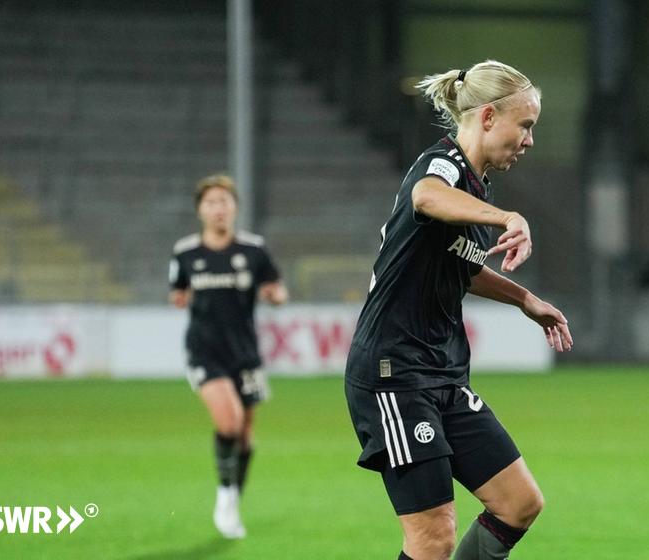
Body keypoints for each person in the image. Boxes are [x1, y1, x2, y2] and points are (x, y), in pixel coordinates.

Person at [343, 60, 573, 560]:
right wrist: (508, 216)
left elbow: (462, 266)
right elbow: (427, 197)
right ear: (488, 116)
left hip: (443, 374)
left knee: (519, 503)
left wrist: (526, 300)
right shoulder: (443, 165)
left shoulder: (473, 185)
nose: (530, 140)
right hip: (394, 375)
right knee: (432, 540)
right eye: (526, 125)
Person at [168, 173, 288, 539]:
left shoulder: (253, 250)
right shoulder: (186, 252)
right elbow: (177, 291)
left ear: (234, 208)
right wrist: (184, 298)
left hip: (245, 353)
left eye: (224, 201)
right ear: (200, 211)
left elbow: (275, 287)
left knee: (246, 438)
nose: (218, 208)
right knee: (229, 424)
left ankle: (233, 498)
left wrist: (276, 296)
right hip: (205, 351)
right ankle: (224, 496)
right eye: (211, 203)